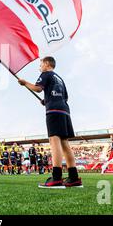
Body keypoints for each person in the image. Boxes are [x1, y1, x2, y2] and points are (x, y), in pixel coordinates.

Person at [18, 56, 82, 188]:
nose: (40, 67)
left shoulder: (46, 74)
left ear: (47, 64)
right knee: (64, 142)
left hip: (54, 111)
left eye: (41, 64)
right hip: (64, 110)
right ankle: (74, 178)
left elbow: (38, 88)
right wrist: (46, 101)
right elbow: (64, 97)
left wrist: (25, 83)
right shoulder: (60, 78)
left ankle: (57, 178)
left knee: (54, 140)